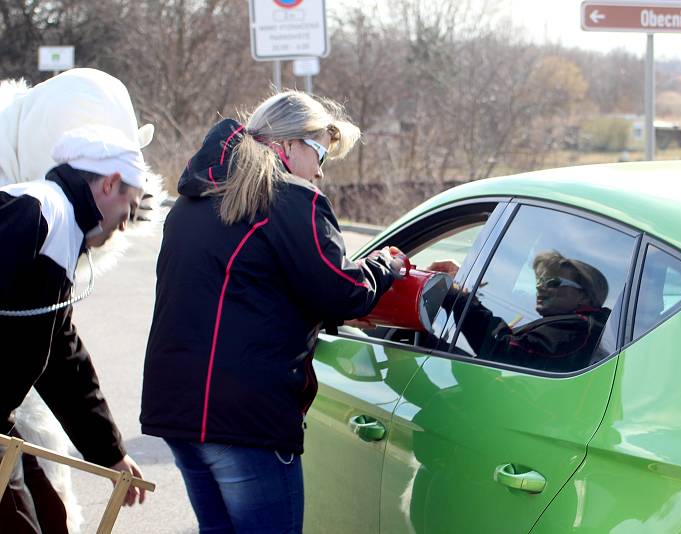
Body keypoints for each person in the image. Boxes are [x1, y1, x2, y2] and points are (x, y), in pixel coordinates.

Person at [140, 90, 402, 533]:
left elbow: (254, 282)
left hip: (178, 408)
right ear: (288, 146)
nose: (319, 171)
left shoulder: (193, 200)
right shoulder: (291, 201)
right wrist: (386, 267)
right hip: (245, 418)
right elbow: (342, 292)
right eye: (319, 152)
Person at [0, 125, 150, 534]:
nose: (125, 224)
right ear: (111, 182)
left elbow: (62, 356)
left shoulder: (63, 227)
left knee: (51, 518)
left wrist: (110, 452)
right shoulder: (36, 210)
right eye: (130, 207)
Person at [432, 250, 610, 372]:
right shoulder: (566, 324)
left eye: (552, 283)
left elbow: (502, 352)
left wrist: (457, 297)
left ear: (584, 296)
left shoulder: (578, 330)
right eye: (540, 281)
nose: (540, 287)